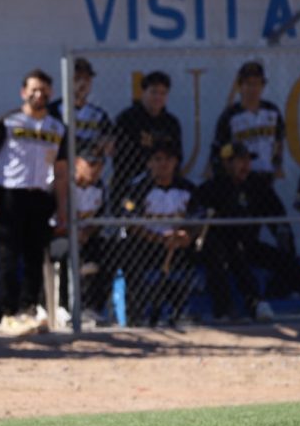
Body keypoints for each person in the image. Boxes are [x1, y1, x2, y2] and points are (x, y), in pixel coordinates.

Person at [0, 68, 68, 336]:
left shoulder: (57, 127)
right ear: (23, 92)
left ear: (51, 93)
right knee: (8, 255)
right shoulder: (8, 122)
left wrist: (62, 206)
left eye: (44, 90)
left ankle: (28, 309)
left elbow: (61, 170)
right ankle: (9, 313)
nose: (39, 94)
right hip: (10, 195)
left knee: (35, 256)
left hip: (40, 196)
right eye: (34, 89)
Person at [195, 142, 300, 321]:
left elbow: (277, 216)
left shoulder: (257, 186)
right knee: (230, 256)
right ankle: (241, 306)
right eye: (240, 160)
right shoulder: (210, 189)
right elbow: (199, 224)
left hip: (250, 245)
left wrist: (284, 240)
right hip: (221, 250)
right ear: (226, 163)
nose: (246, 165)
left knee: (286, 261)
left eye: (248, 160)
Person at [115, 139, 197, 326]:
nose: (163, 164)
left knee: (205, 250)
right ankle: (137, 314)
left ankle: (182, 311)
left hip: (178, 244)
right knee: (128, 252)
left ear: (176, 162)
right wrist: (158, 238)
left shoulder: (187, 188)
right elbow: (129, 221)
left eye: (168, 159)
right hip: (147, 243)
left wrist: (187, 235)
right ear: (149, 163)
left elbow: (199, 218)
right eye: (158, 159)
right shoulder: (137, 188)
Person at [51, 143, 109, 322]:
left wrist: (86, 232)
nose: (96, 169)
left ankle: (90, 307)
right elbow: (51, 221)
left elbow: (100, 218)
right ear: (76, 163)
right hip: (58, 236)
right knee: (67, 250)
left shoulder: (100, 187)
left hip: (86, 238)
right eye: (91, 164)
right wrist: (72, 232)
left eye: (100, 165)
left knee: (105, 252)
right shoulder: (62, 185)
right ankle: (62, 306)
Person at [112, 71, 182, 202]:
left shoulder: (171, 123)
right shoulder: (127, 119)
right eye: (154, 92)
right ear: (143, 92)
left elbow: (177, 156)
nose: (158, 97)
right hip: (130, 182)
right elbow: (119, 155)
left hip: (162, 183)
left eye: (163, 93)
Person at [210, 61, 283, 183]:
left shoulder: (272, 111)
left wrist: (276, 164)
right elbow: (220, 149)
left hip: (266, 174)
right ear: (240, 86)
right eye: (248, 84)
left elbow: (279, 141)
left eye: (256, 84)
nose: (252, 89)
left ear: (263, 86)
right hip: (240, 177)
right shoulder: (230, 115)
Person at [48, 57, 114, 155]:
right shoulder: (53, 110)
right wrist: (92, 144)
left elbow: (108, 142)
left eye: (87, 79)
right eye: (77, 78)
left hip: (89, 160)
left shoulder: (99, 114)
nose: (82, 83)